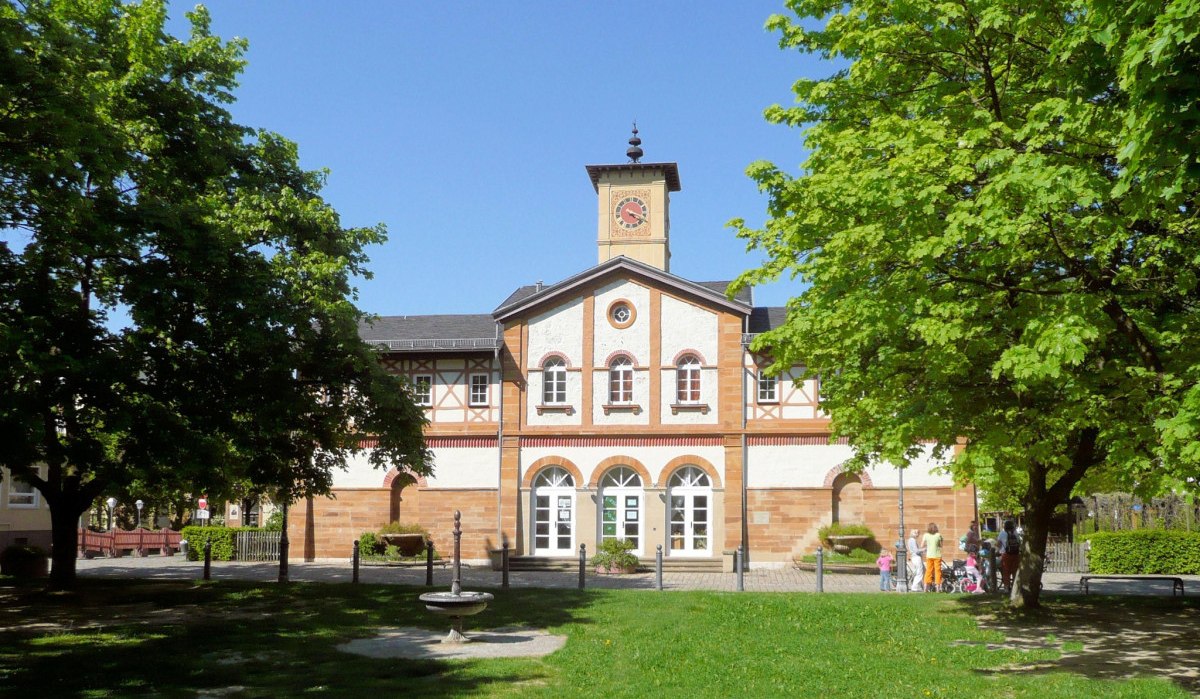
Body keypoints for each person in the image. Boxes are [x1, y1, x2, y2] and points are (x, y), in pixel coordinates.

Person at [996, 519, 1020, 591]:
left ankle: (1006, 587)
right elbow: (1019, 542)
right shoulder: (1015, 533)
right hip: (1016, 554)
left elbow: (998, 544)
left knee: (1006, 571)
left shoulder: (1002, 533)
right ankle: (1015, 587)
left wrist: (997, 551)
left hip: (1006, 554)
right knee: (1014, 571)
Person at [922, 522, 944, 592]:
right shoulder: (938, 535)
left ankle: (926, 586)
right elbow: (941, 545)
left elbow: (922, 545)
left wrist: (928, 545)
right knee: (937, 571)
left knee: (928, 571)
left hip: (929, 555)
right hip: (937, 555)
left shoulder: (925, 535)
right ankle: (938, 587)